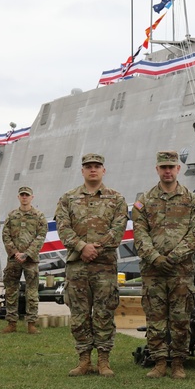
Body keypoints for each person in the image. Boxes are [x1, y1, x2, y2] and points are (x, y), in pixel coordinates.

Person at [131, 150, 195, 379]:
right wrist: (155, 257)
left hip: (181, 271)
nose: (167, 171)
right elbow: (140, 233)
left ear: (178, 169)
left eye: (171, 167)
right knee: (155, 318)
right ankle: (160, 361)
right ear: (157, 169)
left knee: (181, 318)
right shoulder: (145, 201)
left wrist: (173, 258)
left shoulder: (192, 201)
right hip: (153, 272)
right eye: (163, 167)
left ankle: (179, 362)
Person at [56, 154, 129, 376]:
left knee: (104, 313)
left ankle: (104, 360)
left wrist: (94, 248)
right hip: (77, 267)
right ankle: (84, 359)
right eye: (88, 167)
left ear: (103, 170)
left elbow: (118, 229)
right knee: (79, 315)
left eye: (97, 166)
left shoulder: (116, 199)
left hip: (104, 266)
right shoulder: (68, 199)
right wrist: (81, 247)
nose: (93, 170)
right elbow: (63, 227)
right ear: (82, 171)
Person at [1, 186, 48, 335]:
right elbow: (5, 235)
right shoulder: (12, 215)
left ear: (32, 197)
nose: (24, 197)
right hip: (14, 259)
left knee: (32, 292)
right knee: (11, 290)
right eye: (22, 195)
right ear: (18, 197)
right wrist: (15, 252)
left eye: (27, 195)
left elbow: (41, 236)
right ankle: (11, 323)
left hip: (31, 260)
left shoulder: (39, 216)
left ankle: (31, 324)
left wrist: (27, 254)